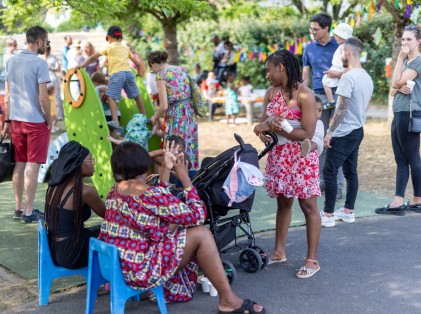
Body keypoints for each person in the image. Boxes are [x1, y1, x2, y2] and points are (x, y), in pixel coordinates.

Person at [99, 141, 265, 313]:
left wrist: (163, 165)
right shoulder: (149, 194)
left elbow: (157, 203)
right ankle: (228, 300)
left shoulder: (116, 190)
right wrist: (185, 177)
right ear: (144, 164)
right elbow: (199, 215)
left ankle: (224, 296)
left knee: (180, 228)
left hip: (117, 265)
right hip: (140, 271)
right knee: (202, 233)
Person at [253, 49, 321, 279]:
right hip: (279, 156)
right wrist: (264, 129)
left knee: (308, 206)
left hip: (301, 157)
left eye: (268, 70)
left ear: (281, 67)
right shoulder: (271, 93)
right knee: (283, 203)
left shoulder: (305, 95)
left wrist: (277, 126)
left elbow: (308, 134)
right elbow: (261, 124)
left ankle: (312, 260)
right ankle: (279, 251)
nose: (267, 75)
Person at [320, 37, 373, 228]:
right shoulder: (366, 76)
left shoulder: (348, 77)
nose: (340, 55)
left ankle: (327, 214)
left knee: (330, 172)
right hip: (358, 130)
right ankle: (348, 211)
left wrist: (329, 132)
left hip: (343, 133)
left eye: (341, 52)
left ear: (348, 52)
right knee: (351, 172)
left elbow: (340, 108)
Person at [2, 26, 51, 223]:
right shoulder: (40, 63)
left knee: (20, 163)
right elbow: (43, 98)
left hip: (16, 120)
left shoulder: (10, 61)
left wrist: (6, 120)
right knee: (32, 164)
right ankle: (29, 212)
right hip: (35, 122)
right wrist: (50, 118)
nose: (46, 45)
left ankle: (18, 207)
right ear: (39, 42)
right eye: (46, 42)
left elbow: (7, 96)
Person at [375, 25, 421, 216]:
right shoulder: (407, 64)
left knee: (412, 159)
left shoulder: (417, 62)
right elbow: (393, 90)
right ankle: (400, 200)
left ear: (419, 41)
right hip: (400, 113)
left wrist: (400, 60)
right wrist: (397, 85)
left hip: (408, 114)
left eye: (409, 39)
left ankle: (416, 199)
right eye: (403, 39)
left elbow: (395, 83)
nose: (404, 43)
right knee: (401, 159)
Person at [302, 13, 344, 199]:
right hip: (317, 96)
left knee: (336, 140)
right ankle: (319, 183)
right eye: (311, 28)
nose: (312, 32)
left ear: (327, 28)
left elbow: (351, 70)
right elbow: (305, 76)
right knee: (319, 138)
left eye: (315, 29)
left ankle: (338, 185)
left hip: (340, 95)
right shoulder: (309, 48)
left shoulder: (341, 46)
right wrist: (303, 97)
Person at [45, 141, 105, 269]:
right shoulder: (85, 191)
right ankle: (120, 279)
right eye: (90, 160)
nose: (93, 163)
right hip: (71, 254)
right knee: (116, 236)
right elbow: (109, 214)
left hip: (53, 249)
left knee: (101, 230)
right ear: (78, 163)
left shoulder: (54, 186)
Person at [80, 26, 145, 127]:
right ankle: (144, 116)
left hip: (117, 74)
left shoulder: (109, 47)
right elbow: (138, 63)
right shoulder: (125, 48)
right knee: (136, 96)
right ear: (121, 38)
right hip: (128, 73)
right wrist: (139, 73)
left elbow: (93, 58)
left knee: (111, 97)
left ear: (108, 38)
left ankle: (115, 121)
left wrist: (81, 66)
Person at [148, 50, 199, 170]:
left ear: (153, 64)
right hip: (190, 113)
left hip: (177, 114)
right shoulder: (182, 69)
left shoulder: (162, 75)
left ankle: (176, 178)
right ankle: (191, 176)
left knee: (175, 147)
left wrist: (154, 117)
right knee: (189, 145)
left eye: (152, 70)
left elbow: (164, 106)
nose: (153, 73)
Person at [322, 23, 353, 108]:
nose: (334, 37)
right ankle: (331, 100)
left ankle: (331, 101)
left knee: (325, 80)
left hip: (339, 70)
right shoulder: (345, 46)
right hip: (338, 70)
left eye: (336, 35)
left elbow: (346, 63)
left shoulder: (344, 47)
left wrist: (338, 73)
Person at [43, 45, 64, 122]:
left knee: (56, 97)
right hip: (45, 79)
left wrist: (51, 68)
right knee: (47, 98)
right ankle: (49, 115)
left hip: (51, 78)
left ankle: (57, 115)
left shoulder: (52, 58)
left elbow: (58, 69)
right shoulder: (41, 57)